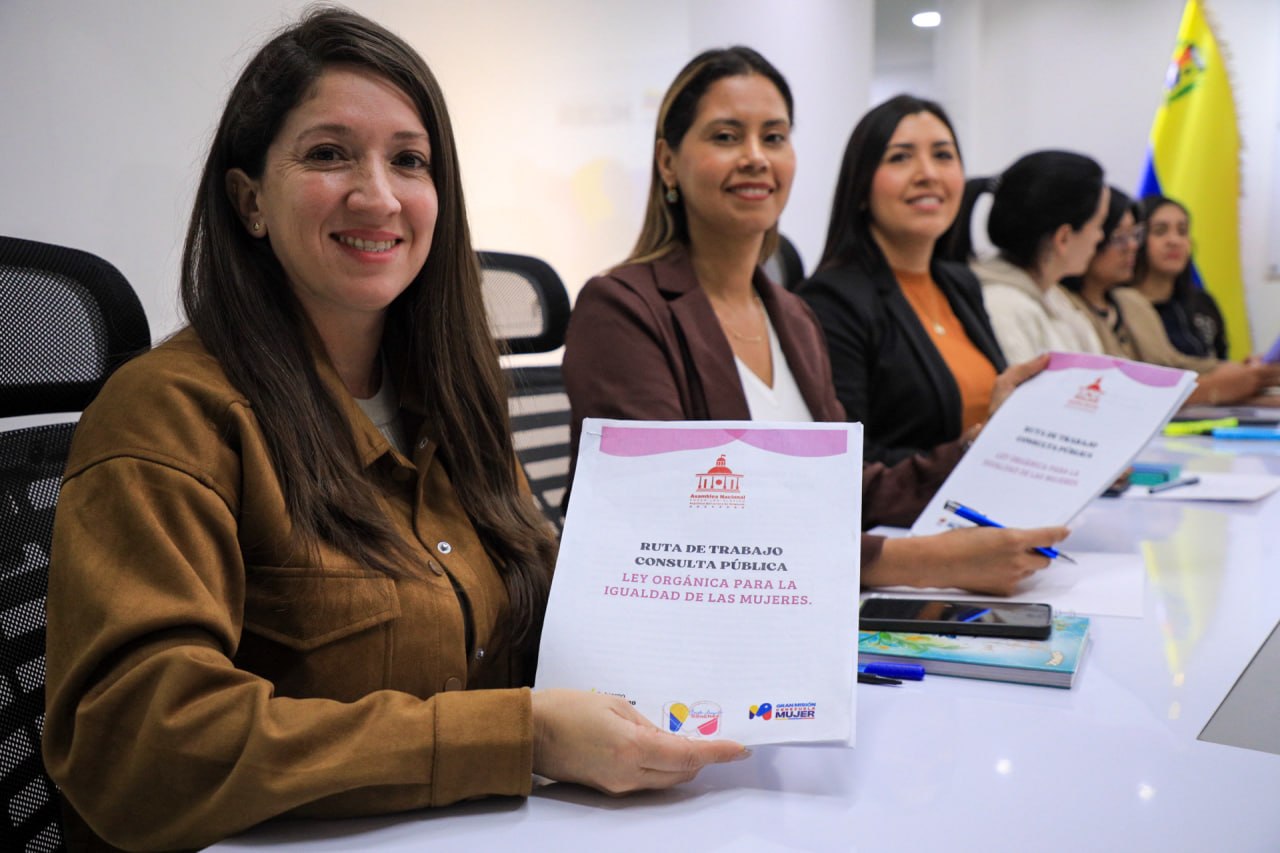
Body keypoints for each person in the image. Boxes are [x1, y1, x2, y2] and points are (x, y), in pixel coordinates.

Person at [43, 11, 745, 852]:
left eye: (409, 160)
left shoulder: (447, 396)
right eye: (329, 153)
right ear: (249, 200)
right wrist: (522, 736)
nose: (377, 195)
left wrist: (743, 622)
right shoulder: (168, 414)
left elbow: (562, 612)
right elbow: (139, 745)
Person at [562, 48, 1066, 597]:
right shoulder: (622, 309)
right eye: (727, 136)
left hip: (807, 610)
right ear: (667, 162)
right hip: (697, 642)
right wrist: (918, 562)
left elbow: (852, 492)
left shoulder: (793, 315)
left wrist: (980, 444)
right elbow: (681, 529)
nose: (756, 157)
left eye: (774, 137)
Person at [799, 94, 1034, 466]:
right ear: (860, 188)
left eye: (943, 155)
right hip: (903, 520)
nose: (928, 174)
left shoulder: (959, 284)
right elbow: (850, 461)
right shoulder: (832, 300)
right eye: (900, 157)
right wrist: (970, 450)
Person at [1062, 186, 1280, 403]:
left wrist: (1252, 373)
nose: (1131, 246)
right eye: (1119, 237)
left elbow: (1178, 367)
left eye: (1134, 235)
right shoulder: (1063, 306)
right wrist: (1243, 380)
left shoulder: (1131, 302)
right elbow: (1121, 394)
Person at [942, 151, 1109, 364]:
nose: (1100, 237)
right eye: (1099, 224)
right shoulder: (1003, 308)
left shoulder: (1053, 297)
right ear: (1063, 238)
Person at [1131, 195, 1228, 359]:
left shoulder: (1202, 302)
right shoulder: (1122, 306)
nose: (1174, 241)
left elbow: (1221, 358)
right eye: (1160, 231)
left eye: (1182, 231)